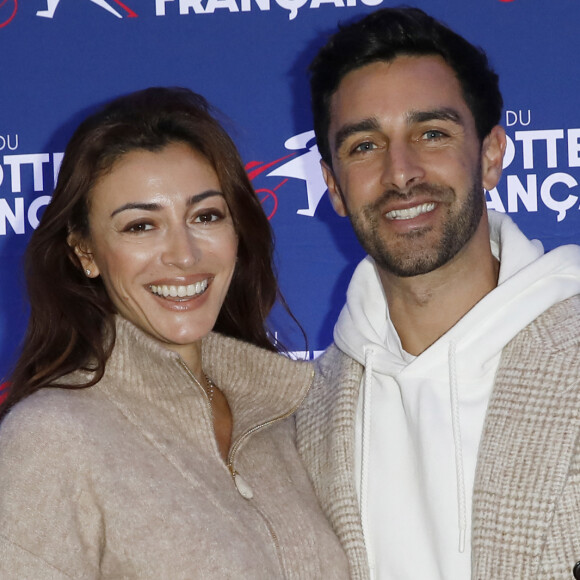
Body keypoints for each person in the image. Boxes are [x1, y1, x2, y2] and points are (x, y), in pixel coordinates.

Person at [0, 87, 350, 579]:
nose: (184, 255)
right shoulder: (50, 439)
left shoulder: (292, 420)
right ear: (84, 252)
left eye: (205, 216)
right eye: (141, 226)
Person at [294, 7, 580, 580]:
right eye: (364, 146)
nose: (401, 173)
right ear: (333, 186)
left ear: (492, 154)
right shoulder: (306, 419)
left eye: (431, 134)